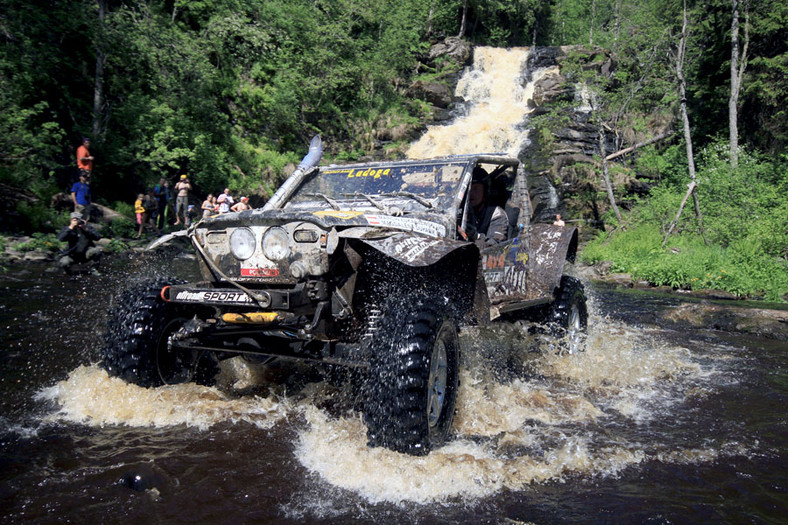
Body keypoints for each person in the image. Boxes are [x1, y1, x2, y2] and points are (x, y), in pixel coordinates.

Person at [466, 167, 508, 246]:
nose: (471, 193)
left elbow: (495, 246)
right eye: (469, 189)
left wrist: (476, 236)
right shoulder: (461, 211)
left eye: (476, 189)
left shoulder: (497, 214)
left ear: (485, 191)